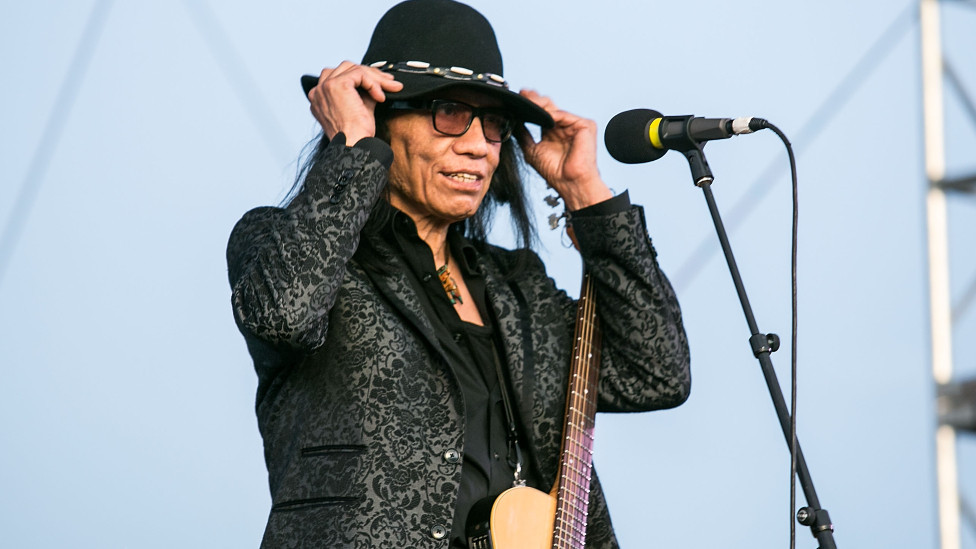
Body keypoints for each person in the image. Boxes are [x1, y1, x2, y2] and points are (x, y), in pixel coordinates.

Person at [226, 1, 691, 547]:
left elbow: (655, 373)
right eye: (448, 113)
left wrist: (585, 191)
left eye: (493, 125)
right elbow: (284, 314)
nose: (476, 145)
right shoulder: (285, 244)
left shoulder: (518, 286)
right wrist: (349, 147)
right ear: (379, 119)